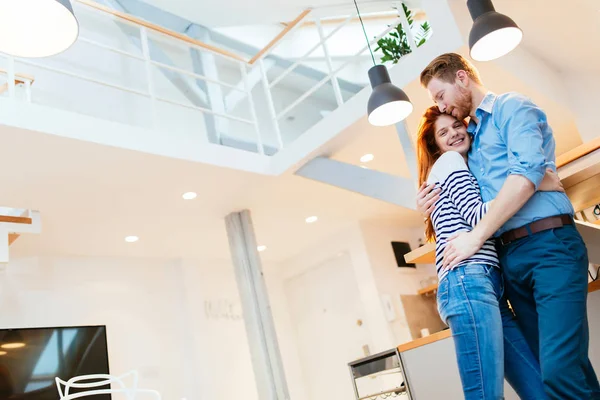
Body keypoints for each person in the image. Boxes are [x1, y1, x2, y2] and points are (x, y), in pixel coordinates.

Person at [417, 52, 600, 399]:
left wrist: (477, 235)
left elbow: (527, 172)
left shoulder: (510, 108)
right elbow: (509, 180)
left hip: (548, 245)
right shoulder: (469, 140)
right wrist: (427, 196)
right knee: (555, 371)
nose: (445, 108)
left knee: (560, 370)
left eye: (441, 95)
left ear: (461, 79)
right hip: (508, 262)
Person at [416, 105, 560, 399]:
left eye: (457, 125)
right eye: (443, 132)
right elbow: (479, 216)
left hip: (487, 286)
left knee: (539, 389)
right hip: (467, 281)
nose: (454, 134)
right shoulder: (450, 162)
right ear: (436, 145)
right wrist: (532, 183)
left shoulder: (467, 167)